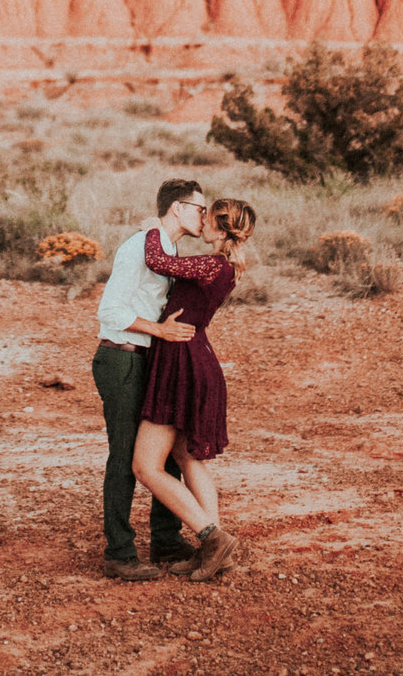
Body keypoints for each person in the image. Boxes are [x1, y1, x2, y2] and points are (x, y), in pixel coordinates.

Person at [91, 179, 211, 581]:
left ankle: (165, 539)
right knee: (125, 457)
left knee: (162, 450)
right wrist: (159, 331)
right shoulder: (137, 248)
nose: (204, 216)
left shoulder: (164, 247)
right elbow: (110, 312)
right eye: (199, 208)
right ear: (177, 208)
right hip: (122, 359)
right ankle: (119, 554)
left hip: (149, 361)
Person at [132, 197, 255, 583]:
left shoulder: (211, 264)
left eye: (207, 215)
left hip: (181, 365)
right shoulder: (227, 266)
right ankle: (213, 551)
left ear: (219, 229)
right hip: (195, 360)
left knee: (145, 466)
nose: (200, 220)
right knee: (188, 458)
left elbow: (159, 261)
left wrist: (154, 225)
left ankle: (211, 538)